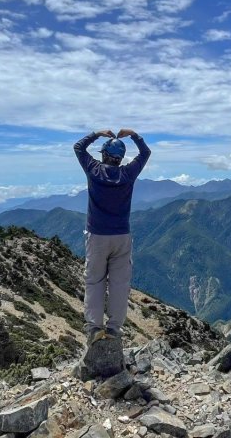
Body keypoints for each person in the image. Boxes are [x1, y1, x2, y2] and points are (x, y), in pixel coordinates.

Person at [73, 128, 151, 344]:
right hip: (121, 236)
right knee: (119, 284)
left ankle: (95, 328)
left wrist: (96, 134)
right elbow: (145, 153)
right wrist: (134, 135)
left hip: (97, 236)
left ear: (104, 155)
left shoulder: (94, 170)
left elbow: (78, 148)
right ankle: (114, 328)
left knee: (94, 281)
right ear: (120, 158)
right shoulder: (128, 174)